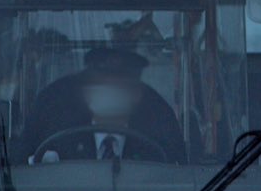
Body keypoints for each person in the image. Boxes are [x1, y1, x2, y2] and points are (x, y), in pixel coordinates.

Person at [22, 43, 185, 163]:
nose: (110, 88)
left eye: (120, 83)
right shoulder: (53, 125)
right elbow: (23, 173)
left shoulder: (160, 131)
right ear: (85, 90)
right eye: (100, 82)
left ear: (136, 92)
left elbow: (178, 180)